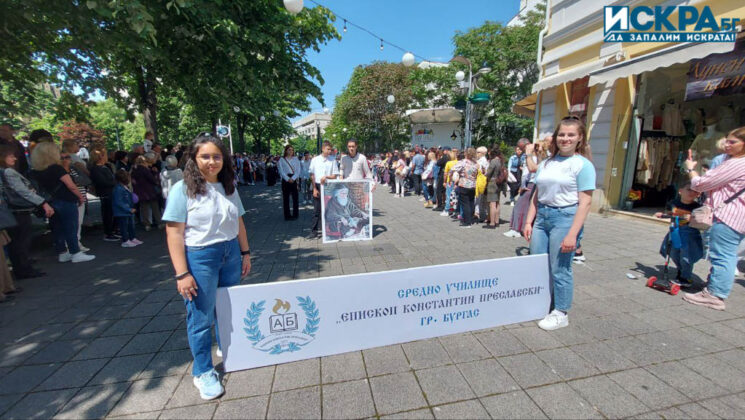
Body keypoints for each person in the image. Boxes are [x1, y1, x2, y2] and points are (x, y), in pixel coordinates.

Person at [163, 134, 251, 400]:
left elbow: (239, 222)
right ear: (194, 158)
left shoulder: (228, 187)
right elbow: (174, 233)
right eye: (205, 156)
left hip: (230, 253)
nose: (212, 162)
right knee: (201, 317)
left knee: (226, 309)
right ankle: (202, 371)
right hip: (200, 256)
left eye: (216, 156)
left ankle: (229, 349)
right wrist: (182, 273)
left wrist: (245, 253)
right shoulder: (182, 189)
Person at [523, 117, 595, 330]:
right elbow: (537, 194)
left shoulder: (583, 165)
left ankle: (561, 312)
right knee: (537, 264)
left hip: (565, 218)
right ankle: (541, 301)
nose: (565, 138)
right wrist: (528, 221)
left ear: (580, 138)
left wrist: (573, 234)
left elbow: (585, 202)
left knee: (560, 268)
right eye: (562, 134)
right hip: (542, 217)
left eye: (571, 135)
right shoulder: (546, 163)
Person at [682, 127, 745, 310]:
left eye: (733, 142)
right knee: (727, 254)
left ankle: (714, 295)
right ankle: (714, 287)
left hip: (727, 215)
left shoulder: (737, 164)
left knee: (722, 256)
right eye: (727, 140)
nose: (727, 144)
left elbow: (701, 184)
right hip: (737, 215)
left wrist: (690, 169)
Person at [30, 142, 95, 263]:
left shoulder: (35, 171)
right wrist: (80, 197)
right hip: (66, 200)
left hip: (50, 202)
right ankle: (75, 252)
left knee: (57, 228)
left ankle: (63, 253)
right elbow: (71, 185)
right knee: (71, 227)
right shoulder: (56, 168)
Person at [0, 145, 54, 278]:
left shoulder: (3, 171)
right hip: (19, 210)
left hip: (12, 210)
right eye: (11, 156)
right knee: (21, 241)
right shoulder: (8, 172)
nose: (14, 158)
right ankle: (23, 269)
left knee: (16, 242)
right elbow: (22, 191)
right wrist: (42, 202)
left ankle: (21, 268)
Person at [653, 182, 703, 286]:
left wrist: (693, 218)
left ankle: (685, 277)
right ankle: (681, 271)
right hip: (675, 231)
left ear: (697, 194)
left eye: (695, 191)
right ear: (680, 191)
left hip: (690, 233)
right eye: (689, 189)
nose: (691, 192)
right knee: (673, 252)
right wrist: (662, 214)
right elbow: (669, 213)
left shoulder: (697, 207)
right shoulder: (673, 203)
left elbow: (701, 220)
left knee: (686, 256)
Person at [309, 141, 339, 238]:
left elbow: (335, 175)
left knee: (328, 209)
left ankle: (327, 230)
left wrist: (326, 177)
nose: (329, 151)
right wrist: (314, 188)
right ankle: (314, 231)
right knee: (316, 210)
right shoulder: (315, 160)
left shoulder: (333, 160)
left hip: (328, 187)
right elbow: (312, 175)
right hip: (318, 186)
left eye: (330, 149)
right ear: (323, 149)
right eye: (328, 149)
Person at [89, 149, 119, 242]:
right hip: (105, 193)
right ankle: (108, 233)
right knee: (107, 214)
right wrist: (114, 182)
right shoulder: (95, 169)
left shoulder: (105, 167)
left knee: (112, 212)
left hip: (111, 192)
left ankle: (113, 230)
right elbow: (102, 182)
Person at [112, 170, 143, 248]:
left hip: (128, 211)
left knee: (131, 225)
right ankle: (125, 241)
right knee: (124, 227)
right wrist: (129, 209)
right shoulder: (118, 189)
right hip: (122, 212)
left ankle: (132, 238)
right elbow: (119, 202)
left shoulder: (124, 187)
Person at [131, 155, 162, 231]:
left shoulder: (134, 170)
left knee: (144, 209)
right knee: (155, 208)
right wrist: (155, 173)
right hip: (149, 191)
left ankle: (147, 225)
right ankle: (159, 223)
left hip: (140, 192)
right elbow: (153, 180)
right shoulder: (145, 169)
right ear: (144, 162)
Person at [451, 148, 480, 228]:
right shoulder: (476, 163)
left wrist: (452, 176)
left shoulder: (463, 162)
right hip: (473, 185)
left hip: (464, 185)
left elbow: (453, 169)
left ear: (466, 154)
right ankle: (470, 218)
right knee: (471, 202)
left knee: (465, 204)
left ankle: (467, 222)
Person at [278, 145, 302, 220]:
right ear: (286, 150)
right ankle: (287, 215)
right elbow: (281, 170)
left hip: (293, 178)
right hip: (285, 179)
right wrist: (287, 179)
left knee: (295, 198)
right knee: (286, 198)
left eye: (292, 150)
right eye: (289, 150)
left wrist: (293, 178)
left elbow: (298, 170)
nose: (291, 151)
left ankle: (295, 214)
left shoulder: (296, 159)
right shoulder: (281, 159)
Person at [484, 148, 505, 228]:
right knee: (497, 203)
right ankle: (497, 221)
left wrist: (484, 173)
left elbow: (489, 173)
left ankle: (492, 223)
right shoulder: (501, 161)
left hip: (492, 182)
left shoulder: (493, 161)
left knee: (492, 204)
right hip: (499, 183)